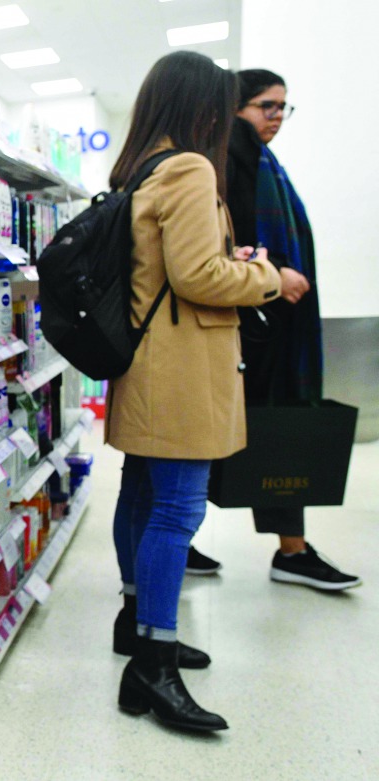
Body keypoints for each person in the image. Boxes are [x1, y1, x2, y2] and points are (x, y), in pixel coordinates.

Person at [105, 51, 305, 733]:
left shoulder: (141, 165)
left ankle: (137, 625)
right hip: (181, 363)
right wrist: (269, 278)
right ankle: (155, 661)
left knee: (140, 493)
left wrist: (230, 263)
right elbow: (197, 277)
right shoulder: (190, 168)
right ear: (202, 106)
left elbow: (174, 265)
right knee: (177, 509)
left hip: (144, 359)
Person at [223, 68, 361, 591]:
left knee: (269, 431)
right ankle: (290, 552)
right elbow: (231, 238)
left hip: (269, 322)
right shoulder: (235, 156)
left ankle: (291, 550)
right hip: (256, 322)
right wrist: (272, 274)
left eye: (284, 107)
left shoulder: (261, 160)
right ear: (236, 108)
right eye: (266, 106)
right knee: (265, 431)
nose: (277, 117)